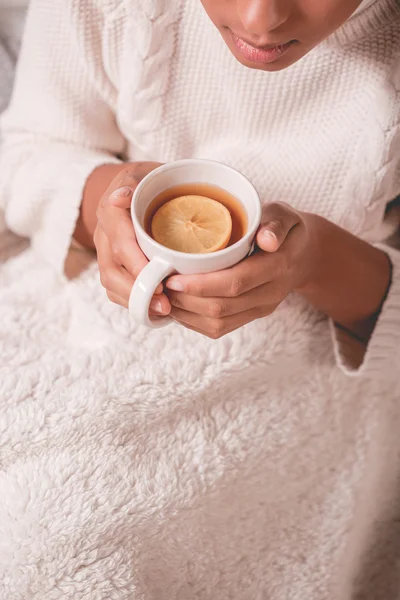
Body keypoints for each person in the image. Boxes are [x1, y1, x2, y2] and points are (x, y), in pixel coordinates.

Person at [0, 0, 399, 598]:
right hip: (85, 319)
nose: (261, 20)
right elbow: (25, 146)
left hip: (315, 377)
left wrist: (315, 258)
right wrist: (105, 203)